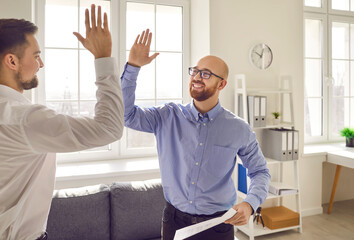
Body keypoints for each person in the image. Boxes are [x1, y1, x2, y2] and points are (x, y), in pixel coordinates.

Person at [121, 29, 271, 240]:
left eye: (206, 73)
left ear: (222, 84)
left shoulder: (238, 128)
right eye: (195, 71)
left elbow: (260, 172)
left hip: (219, 225)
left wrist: (250, 202)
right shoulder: (167, 116)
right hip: (174, 221)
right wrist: (133, 67)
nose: (197, 77)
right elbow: (126, 115)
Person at [0, 5, 124, 240]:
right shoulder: (24, 120)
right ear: (12, 61)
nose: (41, 64)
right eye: (36, 56)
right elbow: (109, 128)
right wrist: (103, 57)